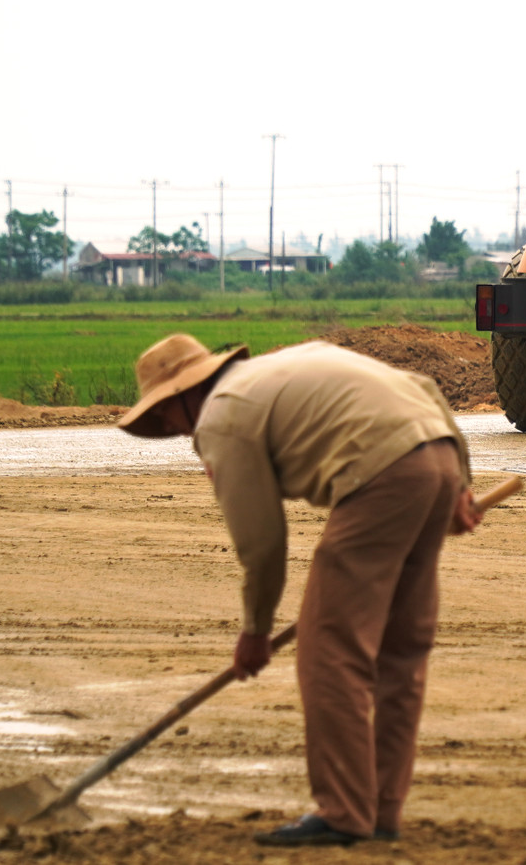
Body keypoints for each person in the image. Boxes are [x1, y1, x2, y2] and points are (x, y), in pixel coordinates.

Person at [117, 333, 480, 847]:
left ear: (184, 395)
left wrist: (256, 630)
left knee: (331, 650)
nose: (172, 430)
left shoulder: (222, 417)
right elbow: (420, 387)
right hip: (435, 457)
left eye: (166, 416)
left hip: (381, 473)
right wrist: (459, 482)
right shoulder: (277, 370)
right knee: (400, 650)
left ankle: (343, 811)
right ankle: (379, 811)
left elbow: (262, 545)